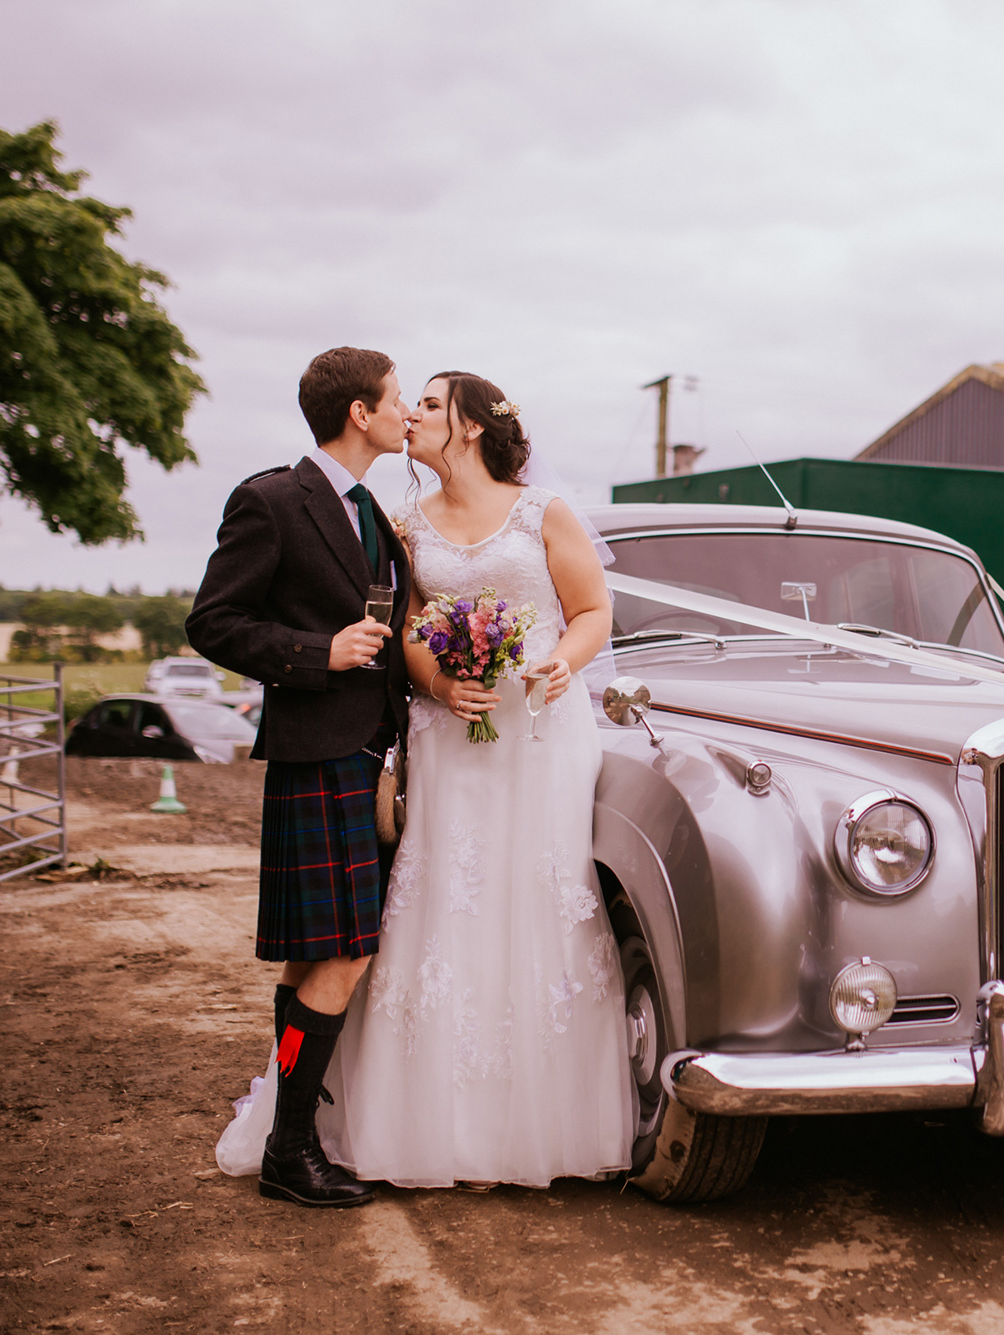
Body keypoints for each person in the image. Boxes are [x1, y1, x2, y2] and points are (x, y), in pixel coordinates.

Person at [220, 371, 639, 1188]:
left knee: (538, 902)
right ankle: (399, 1126)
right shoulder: (403, 523)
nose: (412, 413)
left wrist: (560, 661)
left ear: (475, 426)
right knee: (438, 906)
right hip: (448, 738)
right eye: (404, 401)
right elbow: (406, 626)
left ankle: (529, 1127)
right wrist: (442, 684)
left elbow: (592, 611)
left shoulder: (542, 511)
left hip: (541, 734)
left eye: (432, 405)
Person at [188, 347, 415, 1208]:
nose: (403, 413)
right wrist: (313, 653)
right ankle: (291, 1149)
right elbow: (213, 621)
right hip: (316, 753)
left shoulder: (377, 516)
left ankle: (291, 1136)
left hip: (368, 757)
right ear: (359, 412)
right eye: (396, 398)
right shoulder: (273, 500)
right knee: (345, 954)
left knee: (310, 964)